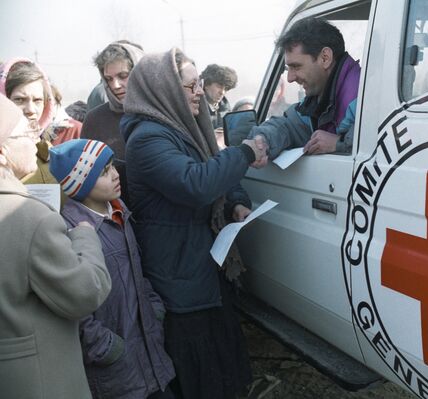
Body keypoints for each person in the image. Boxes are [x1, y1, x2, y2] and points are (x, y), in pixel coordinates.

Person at [121, 48, 265, 398]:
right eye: (188, 86)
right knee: (198, 369)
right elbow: (197, 183)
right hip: (178, 274)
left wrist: (237, 204)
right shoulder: (147, 139)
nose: (198, 91)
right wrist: (245, 152)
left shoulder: (183, 129)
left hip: (200, 265)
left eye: (198, 83)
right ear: (164, 91)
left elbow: (215, 170)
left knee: (219, 355)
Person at [0, 94, 112, 399]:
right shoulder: (27, 216)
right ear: (1, 151)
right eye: (26, 133)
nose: (36, 142)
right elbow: (85, 292)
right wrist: (85, 236)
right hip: (39, 382)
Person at [49, 139, 175, 399]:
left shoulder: (120, 214)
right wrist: (105, 346)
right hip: (116, 368)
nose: (116, 174)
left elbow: (136, 273)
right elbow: (73, 305)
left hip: (149, 355)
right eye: (104, 171)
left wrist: (154, 309)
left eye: (112, 166)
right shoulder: (70, 232)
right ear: (80, 183)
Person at [248, 18, 361, 164]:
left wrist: (340, 143)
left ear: (325, 58)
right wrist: (262, 141)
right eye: (288, 69)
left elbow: (386, 142)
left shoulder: (365, 98)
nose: (290, 78)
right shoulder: (318, 99)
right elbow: (287, 126)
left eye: (296, 66)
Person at [81, 40, 144, 206]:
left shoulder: (162, 112)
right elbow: (87, 180)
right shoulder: (95, 120)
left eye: (123, 76)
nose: (115, 85)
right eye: (109, 79)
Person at [0, 58, 64, 192]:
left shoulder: (53, 153)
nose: (31, 110)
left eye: (38, 100)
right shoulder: (4, 159)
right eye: (19, 99)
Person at [200, 64, 238, 130]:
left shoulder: (227, 111)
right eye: (219, 86)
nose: (222, 92)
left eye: (226, 88)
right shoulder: (196, 108)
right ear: (206, 84)